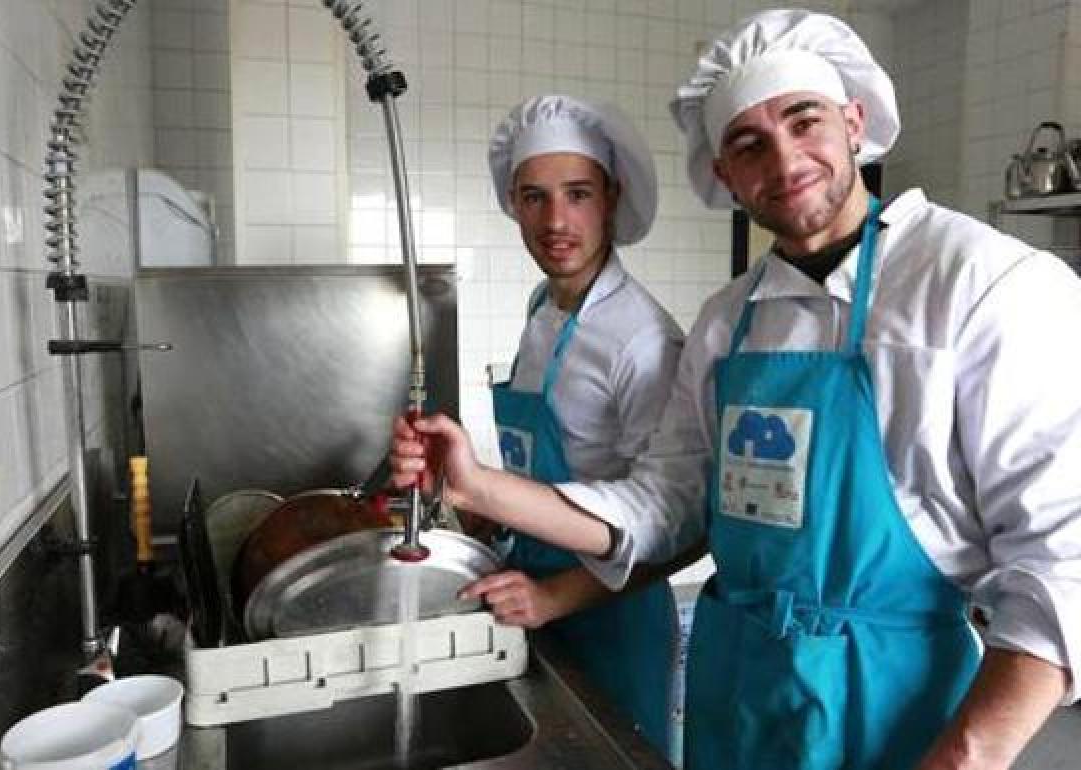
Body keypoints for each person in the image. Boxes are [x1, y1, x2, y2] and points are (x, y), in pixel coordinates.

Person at [392, 9, 1081, 770]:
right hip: (743, 701)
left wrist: (962, 759)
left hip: (902, 716)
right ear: (723, 174)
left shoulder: (981, 284)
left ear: (854, 120)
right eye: (748, 144)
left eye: (803, 120)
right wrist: (477, 487)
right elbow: (665, 505)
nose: (784, 161)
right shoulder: (729, 323)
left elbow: (1063, 562)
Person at [463, 94, 688, 759]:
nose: (554, 221)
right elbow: (551, 467)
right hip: (533, 591)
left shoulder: (641, 341)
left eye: (577, 194)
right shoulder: (544, 308)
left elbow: (677, 529)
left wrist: (555, 598)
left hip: (609, 616)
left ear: (612, 198)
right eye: (534, 197)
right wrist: (494, 514)